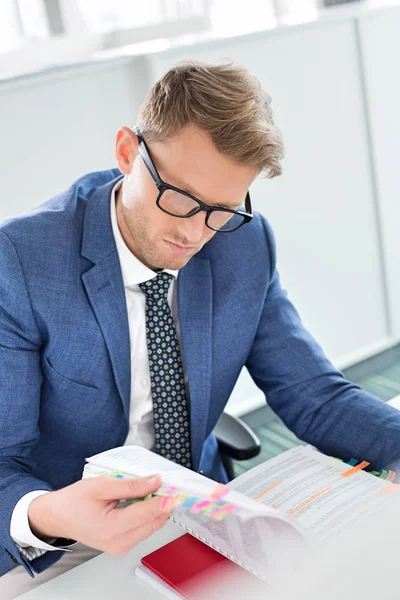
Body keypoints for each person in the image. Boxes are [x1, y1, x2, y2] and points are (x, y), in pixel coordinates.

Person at [1, 60, 400, 597]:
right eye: (181, 200)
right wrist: (50, 513)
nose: (195, 233)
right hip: (61, 537)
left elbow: (313, 395)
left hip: (203, 511)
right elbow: (4, 461)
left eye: (221, 210)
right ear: (126, 152)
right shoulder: (21, 263)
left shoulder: (245, 243)